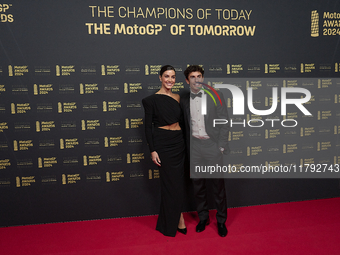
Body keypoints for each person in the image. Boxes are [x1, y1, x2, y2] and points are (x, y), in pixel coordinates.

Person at [181, 65, 230, 237]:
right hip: (194, 147)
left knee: (218, 186)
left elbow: (224, 121)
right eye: (193, 77)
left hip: (211, 146)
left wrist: (221, 146)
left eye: (199, 76)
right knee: (198, 186)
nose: (197, 79)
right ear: (187, 80)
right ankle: (203, 218)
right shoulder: (183, 100)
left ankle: (221, 221)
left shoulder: (215, 95)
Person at [142, 65, 187, 237]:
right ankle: (179, 218)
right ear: (160, 77)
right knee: (170, 184)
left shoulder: (177, 97)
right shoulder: (150, 100)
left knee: (178, 183)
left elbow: (183, 121)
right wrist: (152, 150)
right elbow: (148, 128)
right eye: (167, 76)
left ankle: (175, 217)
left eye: (173, 77)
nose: (170, 80)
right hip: (163, 144)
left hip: (178, 142)